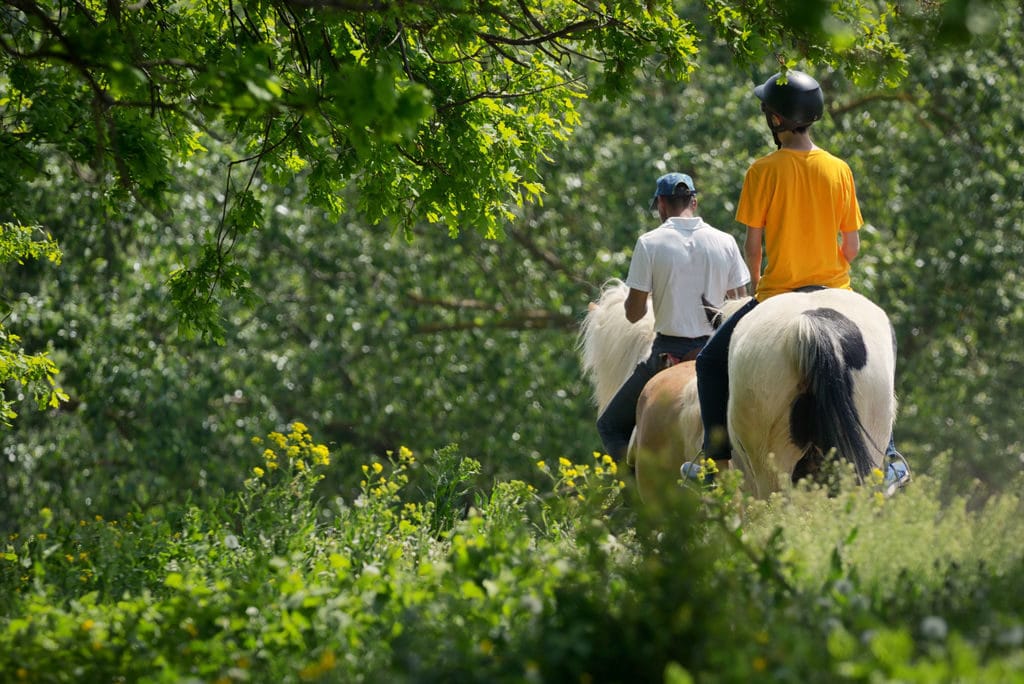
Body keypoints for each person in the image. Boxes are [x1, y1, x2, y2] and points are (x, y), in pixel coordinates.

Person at [688, 70, 909, 492]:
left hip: (777, 292)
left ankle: (712, 460)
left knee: (709, 363)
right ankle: (890, 452)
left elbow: (753, 246)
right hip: (835, 289)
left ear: (775, 120)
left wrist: (755, 291)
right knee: (884, 340)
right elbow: (853, 247)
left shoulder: (762, 171)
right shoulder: (839, 169)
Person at [597, 172, 750, 464]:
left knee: (610, 426)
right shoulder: (726, 241)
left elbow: (634, 314)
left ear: (662, 206)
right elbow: (737, 304)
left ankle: (636, 493)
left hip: (668, 354)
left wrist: (654, 296)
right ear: (694, 201)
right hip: (717, 354)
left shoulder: (649, 243)